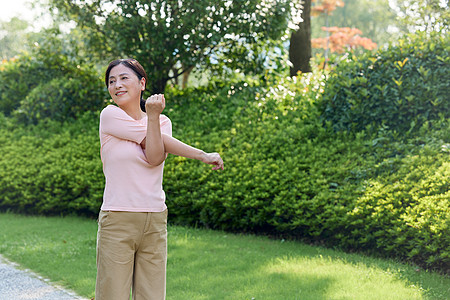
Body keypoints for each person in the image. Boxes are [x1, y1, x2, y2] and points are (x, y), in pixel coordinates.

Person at [96, 58, 224, 300]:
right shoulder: (110, 115)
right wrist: (202, 155)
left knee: (152, 296)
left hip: (155, 219)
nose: (117, 85)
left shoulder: (162, 122)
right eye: (112, 81)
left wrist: (153, 118)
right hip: (118, 218)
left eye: (124, 78)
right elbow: (154, 144)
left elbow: (155, 157)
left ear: (142, 83)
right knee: (112, 295)